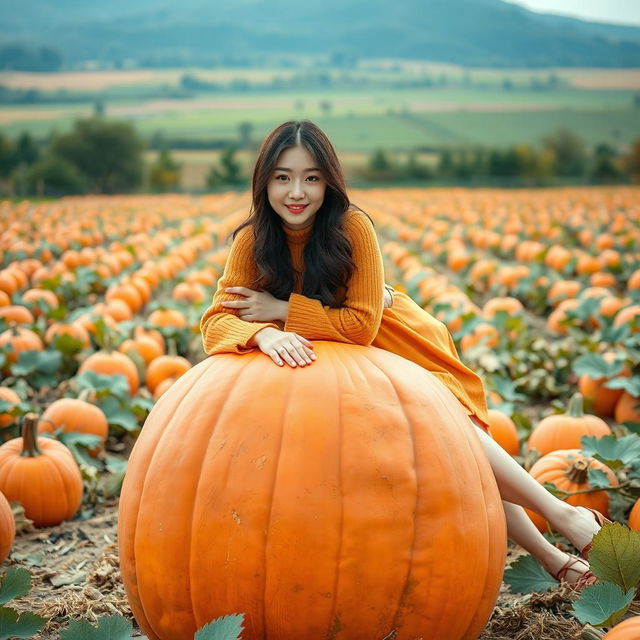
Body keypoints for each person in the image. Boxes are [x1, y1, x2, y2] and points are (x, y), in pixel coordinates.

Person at [200, 120, 607, 587]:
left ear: (329, 180)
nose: (297, 191)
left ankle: (563, 518)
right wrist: (264, 336)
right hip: (323, 361)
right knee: (448, 453)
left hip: (392, 345)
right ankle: (558, 559)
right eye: (283, 177)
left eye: (311, 177)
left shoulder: (352, 227)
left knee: (450, 433)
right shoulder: (252, 240)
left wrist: (281, 310)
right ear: (264, 181)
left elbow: (359, 325)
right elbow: (215, 321)